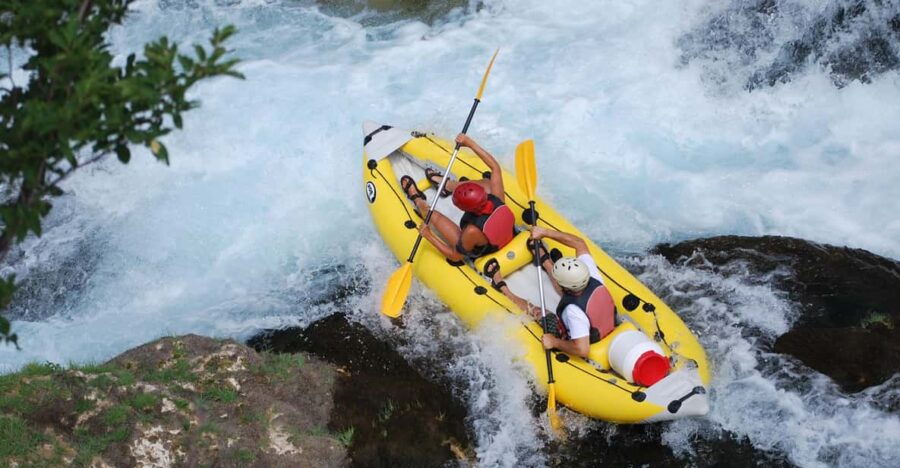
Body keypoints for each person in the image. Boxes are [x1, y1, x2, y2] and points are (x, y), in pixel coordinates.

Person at [401, 133, 535, 312]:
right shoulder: (497, 197)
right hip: (508, 234)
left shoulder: (471, 231)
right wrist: (470, 143)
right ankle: (445, 185)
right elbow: (495, 167)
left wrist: (428, 235)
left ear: (465, 209)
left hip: (487, 249)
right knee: (487, 182)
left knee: (434, 217)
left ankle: (417, 200)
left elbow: (455, 256)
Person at [528, 226, 616, 359]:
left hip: (588, 337)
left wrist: (554, 342)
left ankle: (504, 289)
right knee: (568, 285)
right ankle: (545, 260)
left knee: (538, 312)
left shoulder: (572, 312)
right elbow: (579, 243)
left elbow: (582, 350)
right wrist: (545, 232)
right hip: (603, 322)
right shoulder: (592, 274)